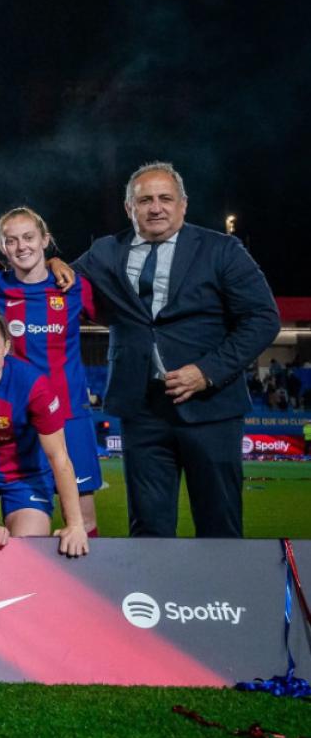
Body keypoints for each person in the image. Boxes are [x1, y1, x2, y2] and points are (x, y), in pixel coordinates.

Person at [72, 161, 279, 537]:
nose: (156, 208)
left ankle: (221, 581)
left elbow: (263, 319)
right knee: (148, 531)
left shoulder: (221, 249)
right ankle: (153, 581)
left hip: (212, 408)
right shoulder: (105, 251)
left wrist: (207, 371)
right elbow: (59, 283)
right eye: (145, 200)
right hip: (141, 409)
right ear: (129, 208)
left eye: (165, 198)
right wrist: (54, 262)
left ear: (183, 204)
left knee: (220, 527)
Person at [0, 207, 104, 533]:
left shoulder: (74, 287)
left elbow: (116, 318)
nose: (21, 246)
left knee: (83, 519)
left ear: (45, 239)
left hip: (69, 413)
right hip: (20, 418)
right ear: (2, 247)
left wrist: (57, 263)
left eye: (28, 237)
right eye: (11, 240)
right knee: (25, 522)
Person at [0, 308, 89, 555]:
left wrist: (75, 525)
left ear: (6, 347)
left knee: (28, 548)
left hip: (26, 478)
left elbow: (59, 457)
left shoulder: (33, 385)